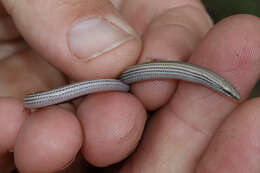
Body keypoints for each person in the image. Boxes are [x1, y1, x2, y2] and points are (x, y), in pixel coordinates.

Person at [0, 0, 260, 172]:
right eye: (226, 90)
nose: (228, 93)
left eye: (226, 91)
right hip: (112, 78)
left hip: (120, 82)